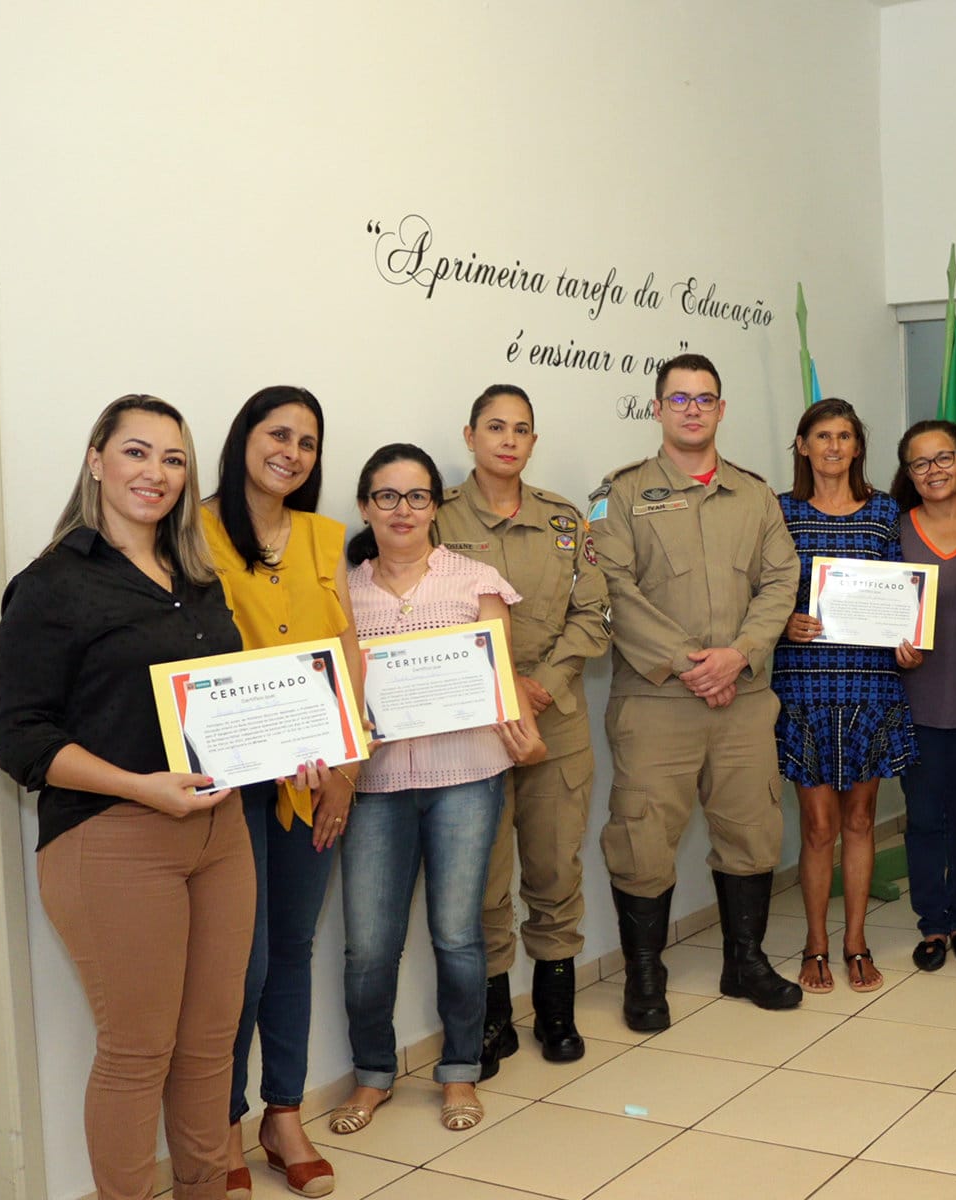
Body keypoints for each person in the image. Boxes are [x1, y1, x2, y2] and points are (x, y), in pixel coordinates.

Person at [0, 395, 253, 1200]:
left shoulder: (198, 576)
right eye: (137, 453)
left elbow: (225, 698)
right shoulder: (51, 584)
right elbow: (20, 737)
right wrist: (139, 786)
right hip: (113, 839)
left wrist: (294, 745)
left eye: (173, 460)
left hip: (221, 836)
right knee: (139, 1053)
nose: (157, 474)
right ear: (97, 458)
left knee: (211, 1047)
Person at [327, 444, 546, 1137]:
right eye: (386, 496)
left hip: (466, 779)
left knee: (457, 935)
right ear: (365, 506)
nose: (402, 510)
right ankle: (371, 1075)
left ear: (436, 506)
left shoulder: (474, 579)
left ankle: (459, 1072)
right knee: (368, 945)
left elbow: (500, 674)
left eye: (417, 496)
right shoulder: (342, 589)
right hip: (376, 785)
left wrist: (527, 732)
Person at [587, 352, 803, 1030]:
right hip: (656, 702)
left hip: (741, 698)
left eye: (704, 398)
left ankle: (746, 962)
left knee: (753, 831)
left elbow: (780, 582)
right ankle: (645, 978)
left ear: (721, 409)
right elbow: (610, 589)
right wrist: (690, 663)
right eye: (677, 398)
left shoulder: (755, 494)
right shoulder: (619, 493)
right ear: (657, 409)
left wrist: (735, 656)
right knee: (643, 839)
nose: (691, 409)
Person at [202, 386, 359, 1199]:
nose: (292, 452)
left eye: (307, 441)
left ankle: (283, 1114)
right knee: (242, 962)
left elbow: (346, 652)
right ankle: (219, 1126)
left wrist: (346, 769)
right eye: (277, 434)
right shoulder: (189, 529)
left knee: (292, 948)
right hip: (227, 785)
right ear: (244, 438)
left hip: (312, 778)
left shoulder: (323, 537)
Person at [434, 385, 609, 1073]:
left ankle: (557, 1010)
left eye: (522, 429)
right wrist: (500, 687)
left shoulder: (564, 519)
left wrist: (546, 683)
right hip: (471, 722)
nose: (509, 439)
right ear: (470, 434)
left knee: (554, 866)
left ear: (534, 443)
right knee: (481, 879)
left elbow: (593, 614)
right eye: (495, 426)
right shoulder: (438, 517)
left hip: (552, 716)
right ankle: (492, 1019)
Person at [775, 399, 918, 993]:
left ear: (859, 447)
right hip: (804, 682)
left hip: (872, 681)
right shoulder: (778, 512)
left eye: (845, 437)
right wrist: (784, 619)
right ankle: (815, 944)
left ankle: (856, 942)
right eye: (821, 437)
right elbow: (762, 589)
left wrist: (908, 637)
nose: (833, 447)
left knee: (860, 819)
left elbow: (900, 588)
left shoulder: (886, 511)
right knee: (816, 826)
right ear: (803, 446)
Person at [891, 420, 956, 973]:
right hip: (918, 699)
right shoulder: (894, 528)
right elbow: (876, 607)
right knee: (926, 816)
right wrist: (893, 646)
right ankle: (931, 923)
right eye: (920, 463)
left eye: (944, 458)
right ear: (908, 472)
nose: (934, 471)